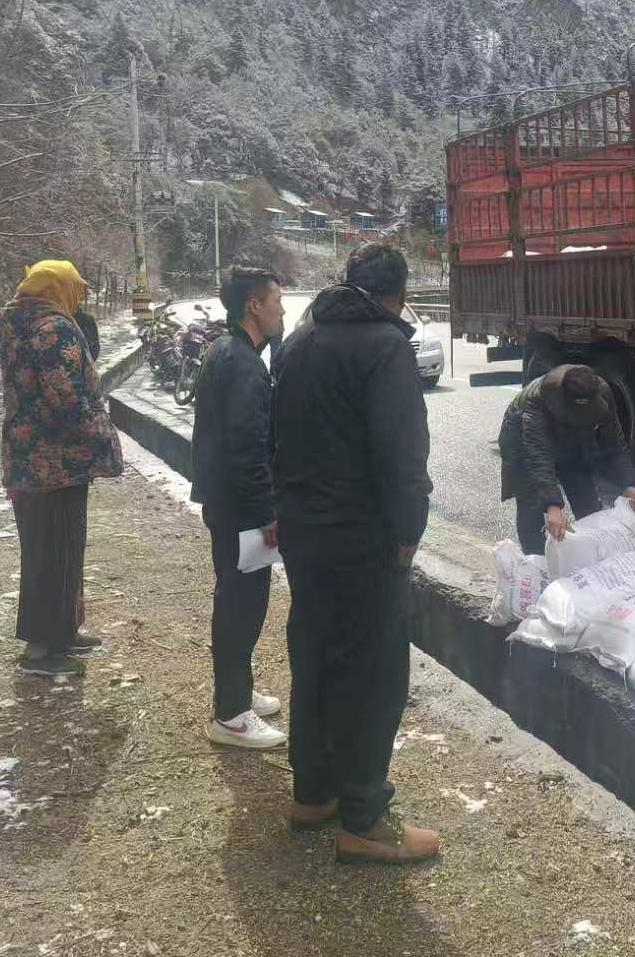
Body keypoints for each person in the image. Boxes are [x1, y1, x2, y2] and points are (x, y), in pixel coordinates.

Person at [273, 243, 439, 864]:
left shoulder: (300, 339)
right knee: (372, 674)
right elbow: (403, 456)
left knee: (315, 656)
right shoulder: (385, 347)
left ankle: (313, 792)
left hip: (305, 533)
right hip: (363, 538)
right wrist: (408, 532)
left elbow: (275, 437)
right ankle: (364, 818)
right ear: (400, 294)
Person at [0, 260, 123, 678]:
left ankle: (61, 632)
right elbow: (67, 400)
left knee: (51, 549)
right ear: (58, 287)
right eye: (74, 287)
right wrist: (104, 436)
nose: (79, 295)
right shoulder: (53, 328)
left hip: (31, 458)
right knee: (53, 552)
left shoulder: (19, 325)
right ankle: (41, 651)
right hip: (55, 462)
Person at [190, 266, 286, 749]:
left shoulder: (226, 350)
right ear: (254, 305)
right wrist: (267, 512)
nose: (282, 310)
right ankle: (230, 715)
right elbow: (248, 448)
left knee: (239, 600)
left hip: (227, 501)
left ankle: (238, 693)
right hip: (242, 508)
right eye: (276, 300)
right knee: (241, 605)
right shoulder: (245, 364)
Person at [498, 363, 635, 556]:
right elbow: (538, 457)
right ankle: (537, 561)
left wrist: (630, 483)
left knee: (588, 504)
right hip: (521, 440)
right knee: (532, 504)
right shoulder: (537, 400)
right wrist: (553, 506)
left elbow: (614, 441)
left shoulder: (601, 392)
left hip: (570, 441)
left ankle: (594, 562)